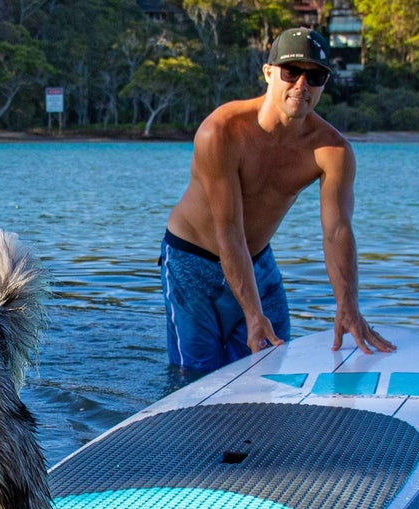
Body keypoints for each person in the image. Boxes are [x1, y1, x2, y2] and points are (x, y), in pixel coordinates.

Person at [160, 26, 394, 372]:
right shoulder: (222, 131)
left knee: (273, 362)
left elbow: (337, 232)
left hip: (256, 259)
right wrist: (253, 315)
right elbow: (228, 230)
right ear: (269, 73)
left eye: (314, 77)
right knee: (197, 375)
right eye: (291, 72)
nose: (301, 85)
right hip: (192, 259)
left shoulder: (332, 150)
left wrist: (348, 305)